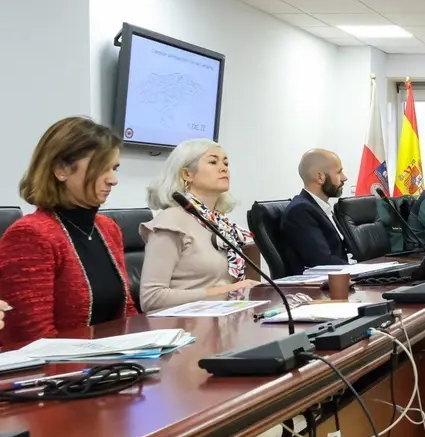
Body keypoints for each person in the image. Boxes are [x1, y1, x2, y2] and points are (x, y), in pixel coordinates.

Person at [0, 117, 136, 347]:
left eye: (114, 168)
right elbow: (35, 341)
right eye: (102, 168)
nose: (113, 180)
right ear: (61, 169)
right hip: (61, 375)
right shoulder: (31, 235)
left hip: (112, 365)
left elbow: (127, 312)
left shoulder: (108, 228)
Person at [139, 139, 258, 312]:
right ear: (187, 174)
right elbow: (152, 298)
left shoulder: (221, 224)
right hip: (184, 327)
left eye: (226, 163)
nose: (224, 168)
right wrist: (230, 290)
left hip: (224, 321)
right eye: (213, 162)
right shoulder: (171, 222)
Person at [280, 149, 349, 275]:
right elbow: (322, 261)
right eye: (339, 172)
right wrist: (358, 269)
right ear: (320, 177)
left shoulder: (319, 207)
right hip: (318, 288)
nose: (345, 178)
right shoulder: (300, 211)